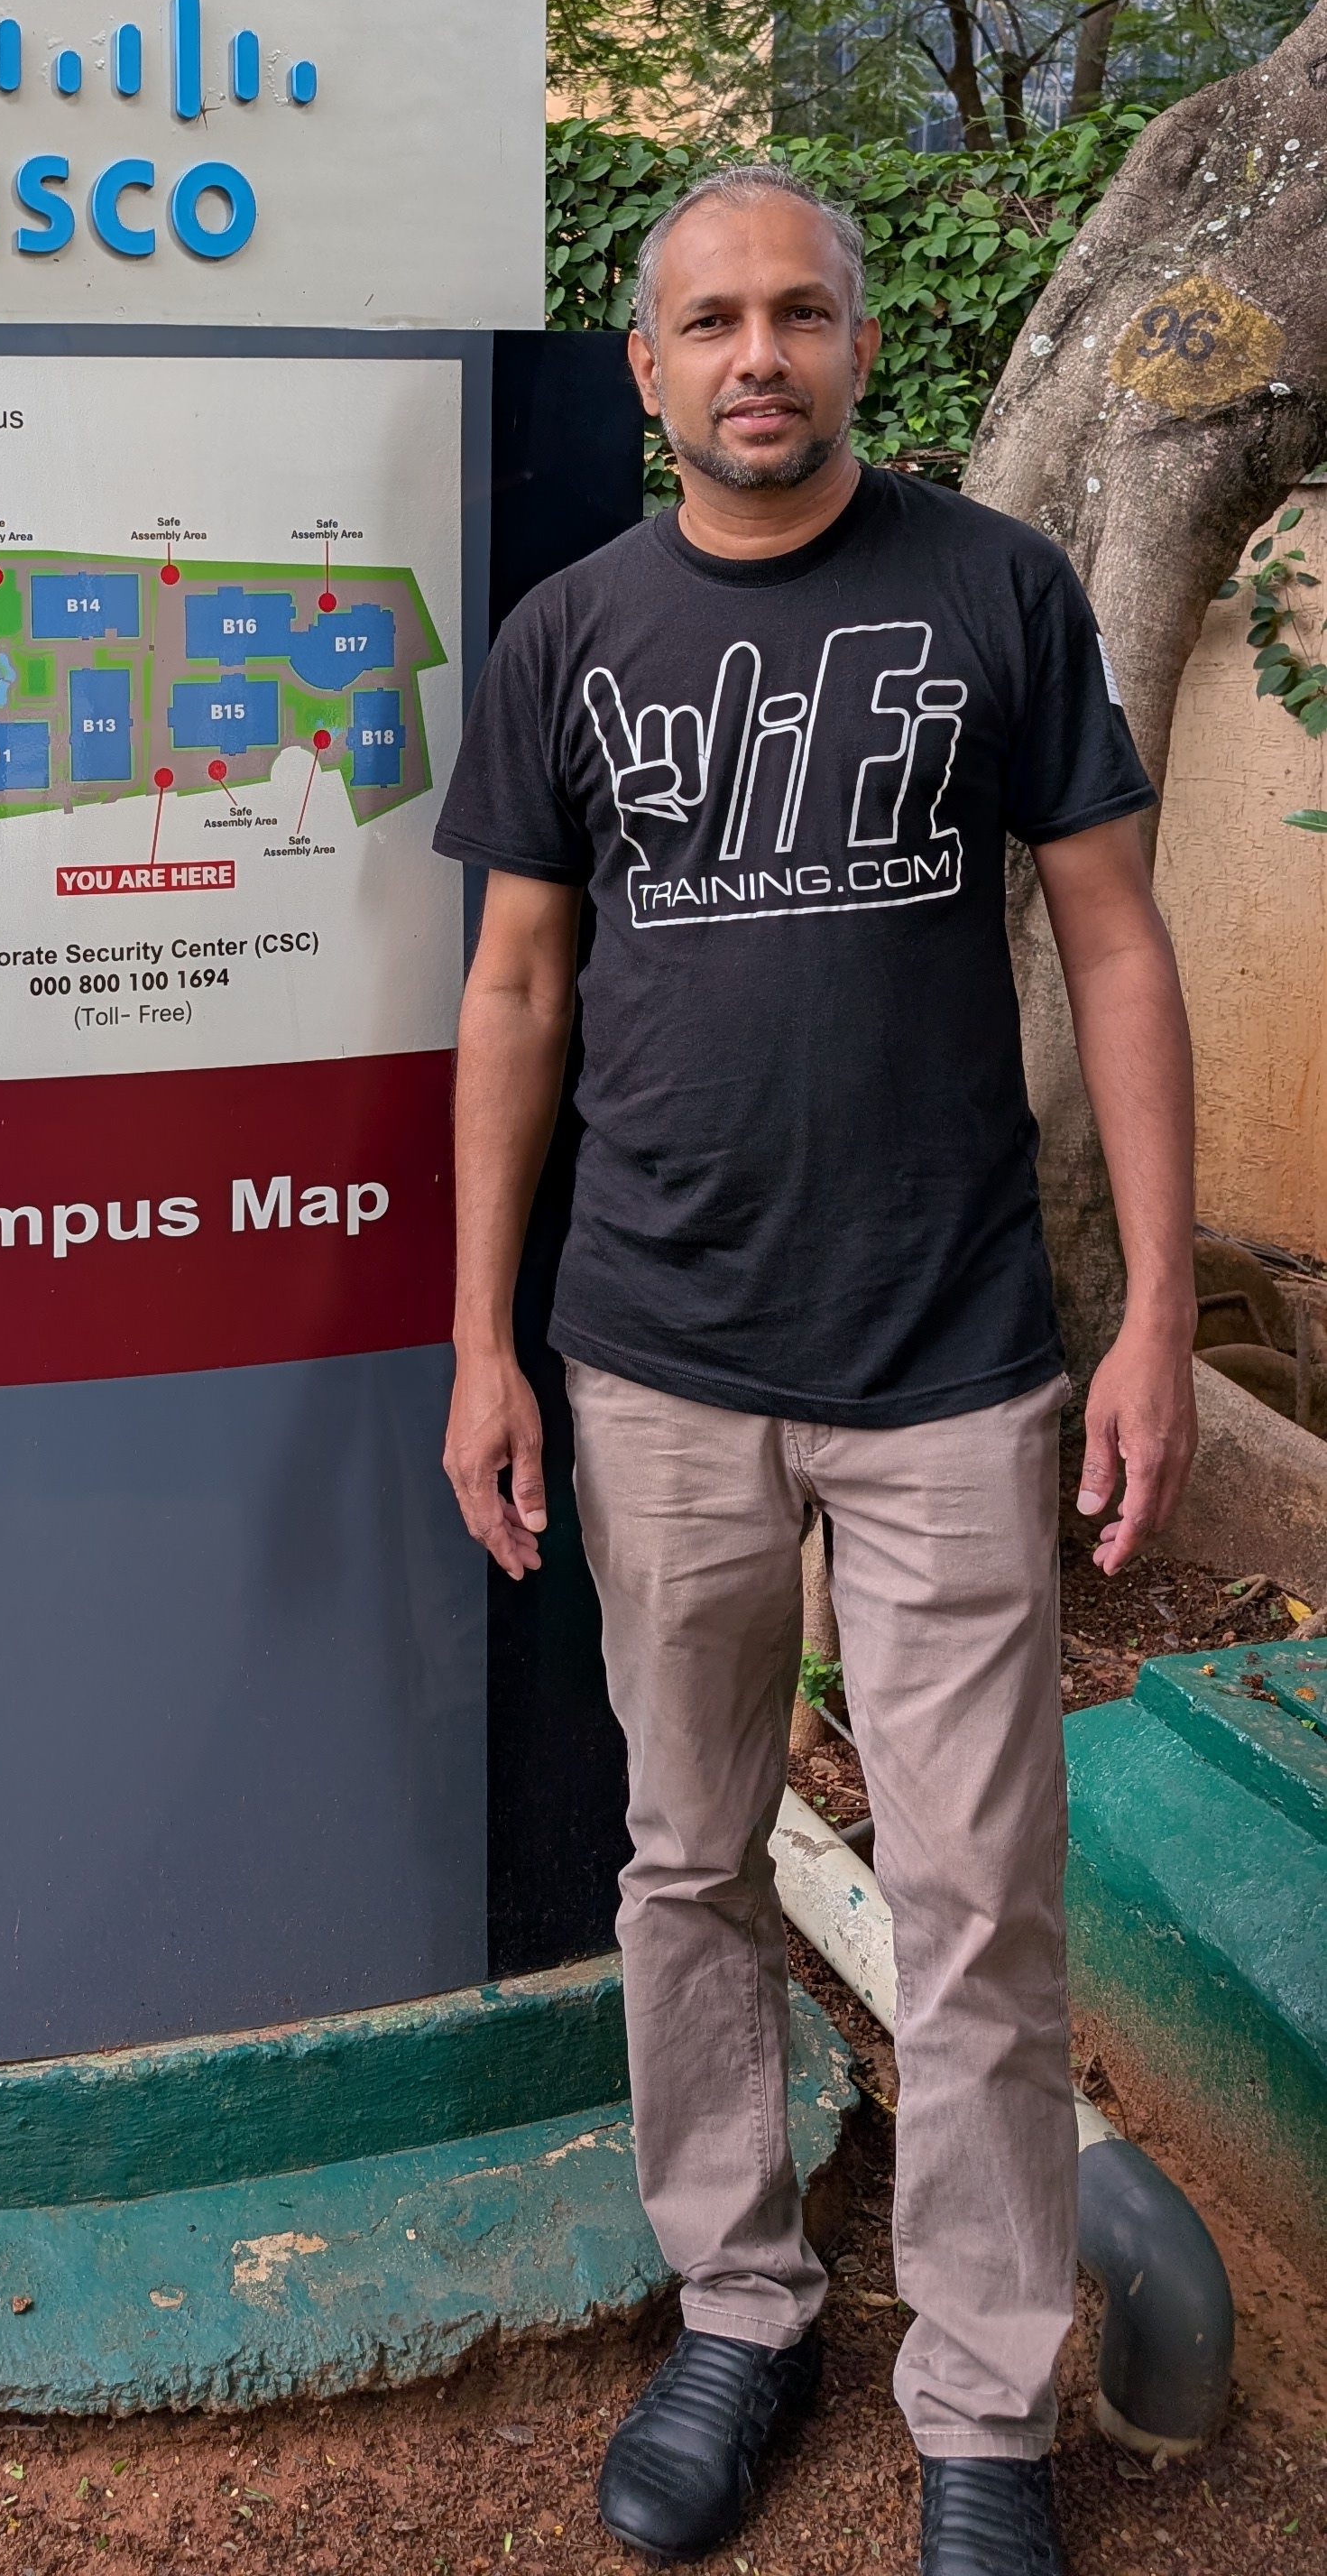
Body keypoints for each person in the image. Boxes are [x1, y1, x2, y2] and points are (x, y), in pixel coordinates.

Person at [432, 166, 1198, 2576]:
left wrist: (1155, 1311)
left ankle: (979, 2409)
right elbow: (514, 988)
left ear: (860, 342)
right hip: (654, 1361)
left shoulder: (995, 591)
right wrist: (477, 1338)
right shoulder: (569, 634)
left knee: (976, 1900)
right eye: (708, 322)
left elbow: (1113, 941)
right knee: (684, 1862)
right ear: (646, 368)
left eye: (795, 313)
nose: (753, 355)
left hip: (948, 1363)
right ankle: (739, 2306)